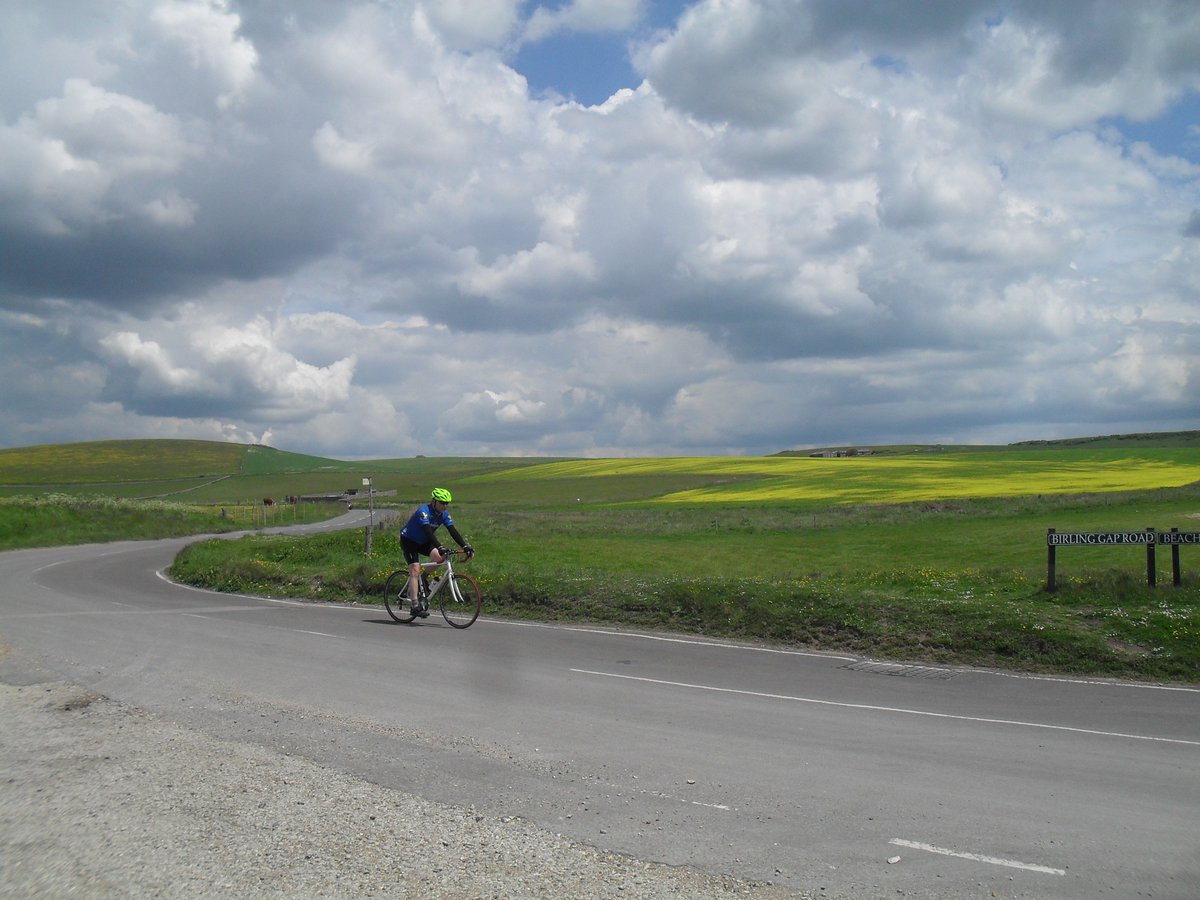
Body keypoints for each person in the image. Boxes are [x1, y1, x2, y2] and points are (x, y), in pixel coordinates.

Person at [399, 487, 473, 617]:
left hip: (423, 542)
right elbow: (428, 531)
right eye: (442, 503)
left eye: (446, 503)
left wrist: (465, 546)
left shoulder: (444, 514)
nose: (445, 506)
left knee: (442, 558)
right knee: (415, 569)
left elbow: (452, 530)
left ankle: (424, 577)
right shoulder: (424, 511)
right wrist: (439, 546)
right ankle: (415, 605)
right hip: (409, 541)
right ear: (434, 501)